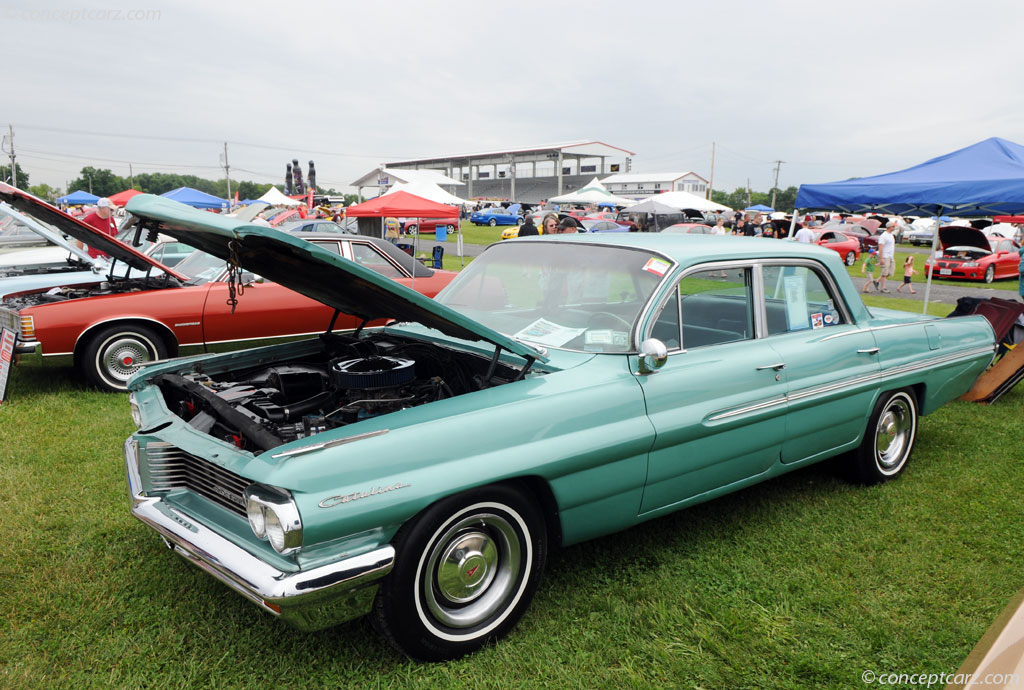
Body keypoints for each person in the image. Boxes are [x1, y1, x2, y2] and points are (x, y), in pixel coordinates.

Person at [876, 222, 897, 292]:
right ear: (889, 227)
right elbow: (881, 248)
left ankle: (877, 281)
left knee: (890, 272)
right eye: (893, 226)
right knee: (884, 273)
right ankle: (883, 288)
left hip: (891, 256)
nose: (894, 228)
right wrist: (881, 258)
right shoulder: (883, 236)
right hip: (885, 256)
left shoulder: (891, 235)